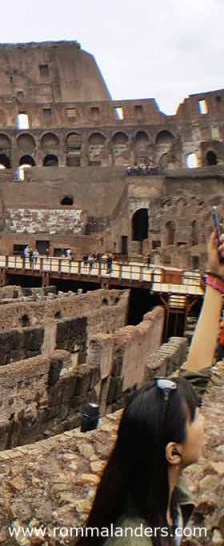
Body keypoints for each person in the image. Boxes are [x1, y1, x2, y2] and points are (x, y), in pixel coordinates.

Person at [79, 230, 221, 545]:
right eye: (195, 417)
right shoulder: (134, 539)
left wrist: (215, 280)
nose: (204, 419)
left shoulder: (160, 487)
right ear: (173, 451)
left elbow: (196, 376)